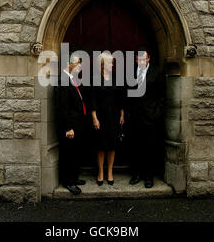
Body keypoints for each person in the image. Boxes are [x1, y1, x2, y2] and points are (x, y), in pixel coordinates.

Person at [127, 47, 165, 189]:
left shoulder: (157, 72)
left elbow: (162, 96)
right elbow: (128, 93)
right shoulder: (131, 72)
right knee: (135, 146)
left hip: (151, 117)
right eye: (138, 59)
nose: (141, 61)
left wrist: (156, 114)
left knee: (150, 147)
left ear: (148, 59)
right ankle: (136, 174)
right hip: (134, 117)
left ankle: (149, 177)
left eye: (144, 59)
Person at [54, 55, 87, 195]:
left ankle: (74, 178)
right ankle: (69, 182)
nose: (80, 66)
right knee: (69, 154)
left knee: (75, 153)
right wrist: (68, 128)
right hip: (69, 126)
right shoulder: (62, 80)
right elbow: (62, 107)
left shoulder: (71, 78)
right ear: (69, 64)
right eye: (78, 63)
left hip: (77, 123)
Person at [90, 53, 125, 186]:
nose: (112, 65)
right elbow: (92, 100)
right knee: (100, 145)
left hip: (114, 116)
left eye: (112, 62)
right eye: (110, 62)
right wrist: (94, 118)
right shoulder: (95, 79)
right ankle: (100, 172)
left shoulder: (117, 78)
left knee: (112, 145)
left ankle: (110, 171)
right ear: (102, 64)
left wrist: (122, 114)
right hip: (100, 117)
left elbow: (120, 98)